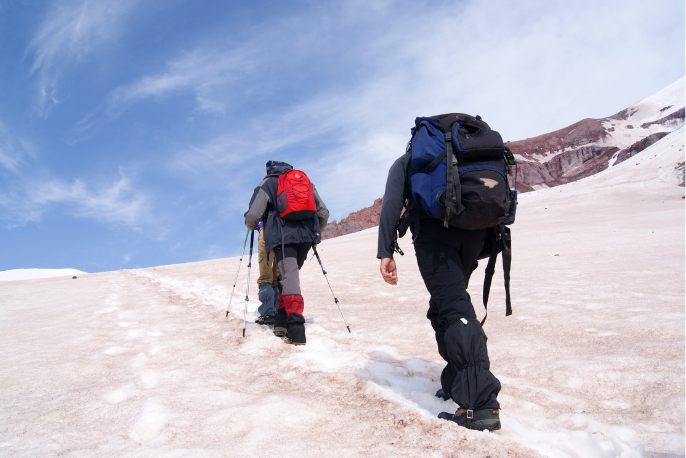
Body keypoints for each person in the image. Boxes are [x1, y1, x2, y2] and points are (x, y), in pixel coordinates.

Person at [377, 151, 502, 431]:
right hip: (475, 232)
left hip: (434, 232)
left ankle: (479, 403)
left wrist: (385, 250)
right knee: (442, 306)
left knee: (454, 306)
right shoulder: (468, 155)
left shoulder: (409, 160)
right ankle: (457, 379)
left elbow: (392, 203)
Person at [244, 160, 329, 345]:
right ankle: (281, 322)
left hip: (284, 238)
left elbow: (253, 216)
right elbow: (323, 212)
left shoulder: (267, 183)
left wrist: (250, 224)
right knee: (287, 277)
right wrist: (314, 231)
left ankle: (296, 329)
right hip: (306, 238)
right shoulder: (303, 181)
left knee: (289, 279)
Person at [254, 221, 280, 326]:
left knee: (266, 276)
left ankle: (268, 312)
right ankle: (278, 309)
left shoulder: (264, 203)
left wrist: (252, 223)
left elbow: (253, 216)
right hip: (285, 233)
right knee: (278, 276)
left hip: (267, 232)